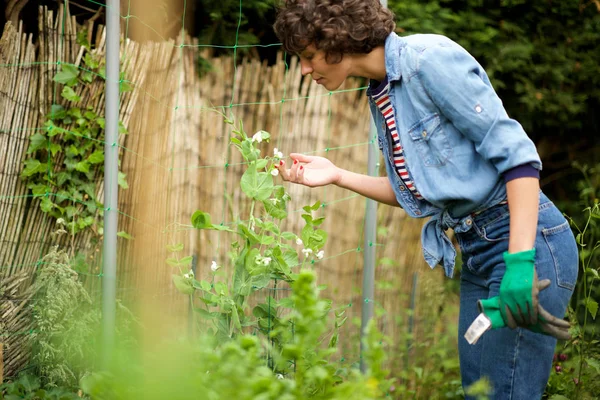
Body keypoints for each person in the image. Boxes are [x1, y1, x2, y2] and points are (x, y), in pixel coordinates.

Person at [272, 1, 578, 399]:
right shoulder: (382, 91)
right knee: (480, 393)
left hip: (526, 242)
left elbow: (518, 157)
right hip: (479, 251)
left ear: (337, 40)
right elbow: (420, 192)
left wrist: (519, 263)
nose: (306, 69)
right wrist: (337, 175)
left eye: (309, 56)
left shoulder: (428, 61)